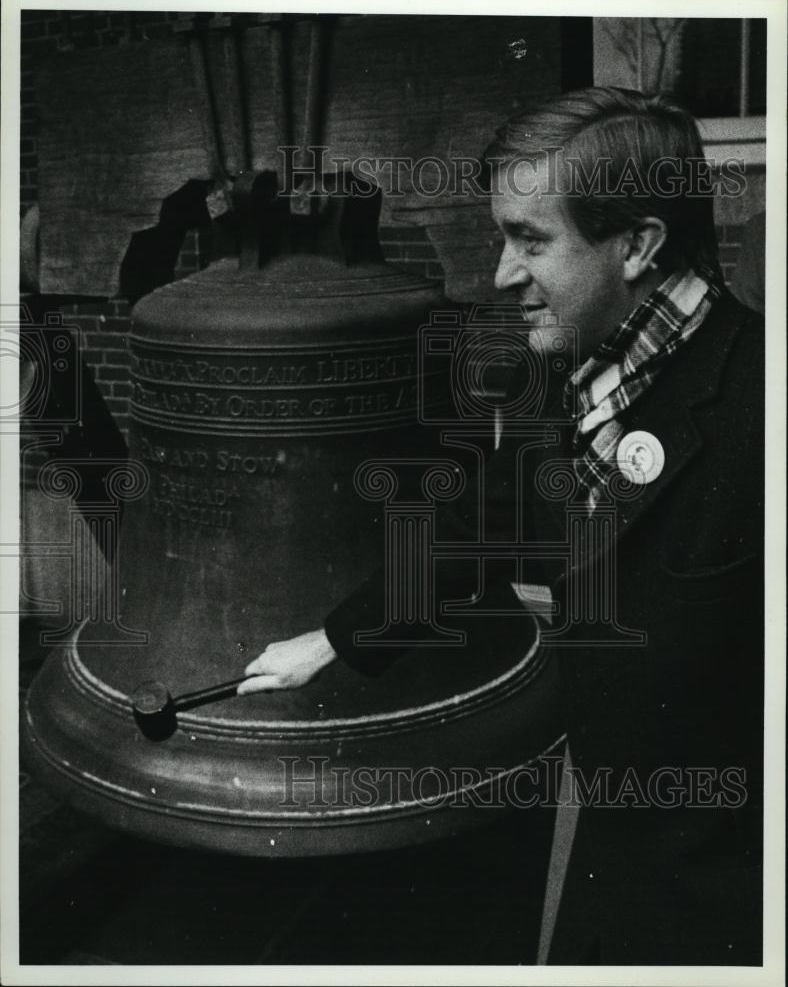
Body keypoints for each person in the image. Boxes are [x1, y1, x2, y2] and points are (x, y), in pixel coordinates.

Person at [239, 87, 764, 965]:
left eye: (531, 241)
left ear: (638, 245)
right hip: (609, 863)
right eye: (501, 239)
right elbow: (484, 516)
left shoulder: (764, 404)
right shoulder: (573, 373)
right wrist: (337, 638)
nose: (501, 275)